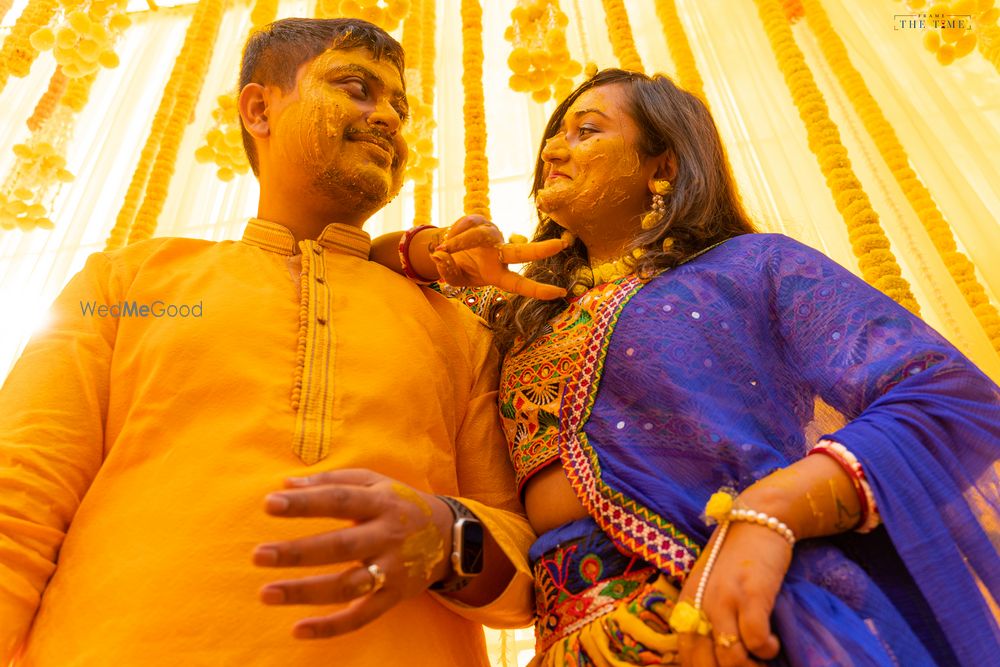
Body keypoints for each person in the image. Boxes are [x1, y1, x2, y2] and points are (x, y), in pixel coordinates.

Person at [379, 69, 1000, 666]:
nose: (552, 151)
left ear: (664, 167)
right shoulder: (521, 314)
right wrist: (440, 253)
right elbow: (373, 263)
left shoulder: (753, 268)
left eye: (586, 131)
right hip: (572, 642)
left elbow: (950, 398)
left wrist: (769, 515)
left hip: (743, 617)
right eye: (554, 134)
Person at [0, 18, 542, 666]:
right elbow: (19, 496)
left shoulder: (457, 328)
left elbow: (528, 574)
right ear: (259, 108)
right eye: (356, 88)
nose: (389, 120)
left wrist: (446, 537)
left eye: (399, 107)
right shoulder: (126, 281)